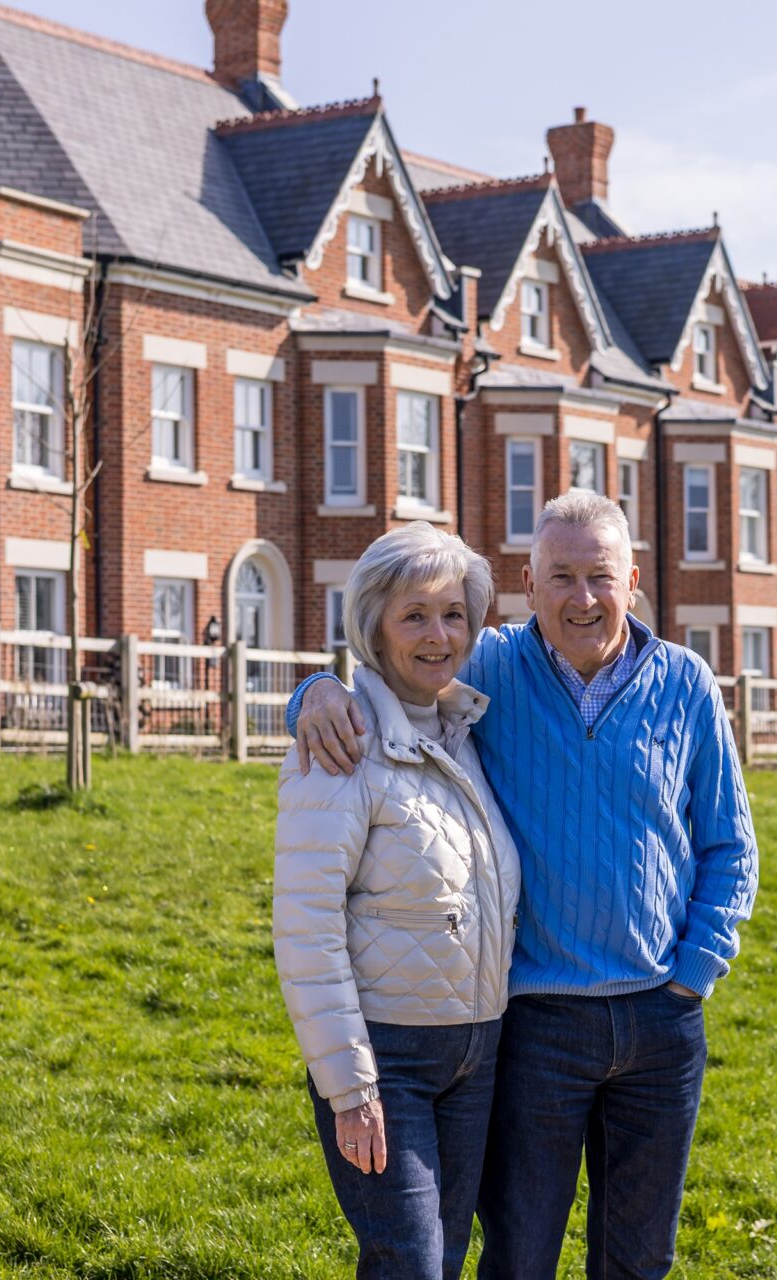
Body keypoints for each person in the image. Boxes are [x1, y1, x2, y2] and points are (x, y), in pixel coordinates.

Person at [289, 492, 758, 1279]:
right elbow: (397, 659)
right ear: (526, 585)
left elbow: (730, 844)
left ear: (633, 582)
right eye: (562, 577)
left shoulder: (686, 683)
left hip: (661, 1020)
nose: (583, 598)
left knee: (640, 1258)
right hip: (538, 1021)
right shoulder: (490, 665)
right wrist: (315, 690)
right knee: (519, 1254)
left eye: (600, 577)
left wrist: (693, 977)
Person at [273, 522, 520, 1279]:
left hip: (476, 1053)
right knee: (407, 1260)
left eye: (453, 614)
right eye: (414, 615)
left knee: (443, 1257)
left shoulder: (468, 732)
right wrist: (350, 1088)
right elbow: (306, 931)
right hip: (389, 1059)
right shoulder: (340, 747)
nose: (438, 635)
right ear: (374, 626)